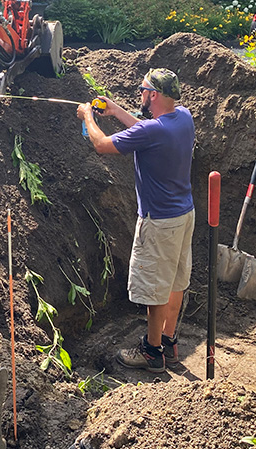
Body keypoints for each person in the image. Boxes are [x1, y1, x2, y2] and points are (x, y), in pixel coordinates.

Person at [77, 68, 195, 373]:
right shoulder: (182, 117)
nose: (140, 94)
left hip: (159, 223)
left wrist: (87, 117)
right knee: (175, 281)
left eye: (143, 90)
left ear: (153, 95)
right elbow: (147, 129)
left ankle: (152, 352)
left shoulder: (152, 132)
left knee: (155, 288)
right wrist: (115, 110)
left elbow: (102, 145)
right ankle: (168, 342)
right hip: (184, 215)